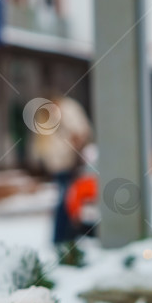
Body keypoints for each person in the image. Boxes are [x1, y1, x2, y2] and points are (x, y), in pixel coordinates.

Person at [30, 96, 93, 244]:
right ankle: (64, 236)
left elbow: (81, 133)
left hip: (69, 163)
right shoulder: (47, 115)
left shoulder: (67, 111)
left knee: (67, 200)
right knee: (66, 200)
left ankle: (64, 236)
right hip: (61, 164)